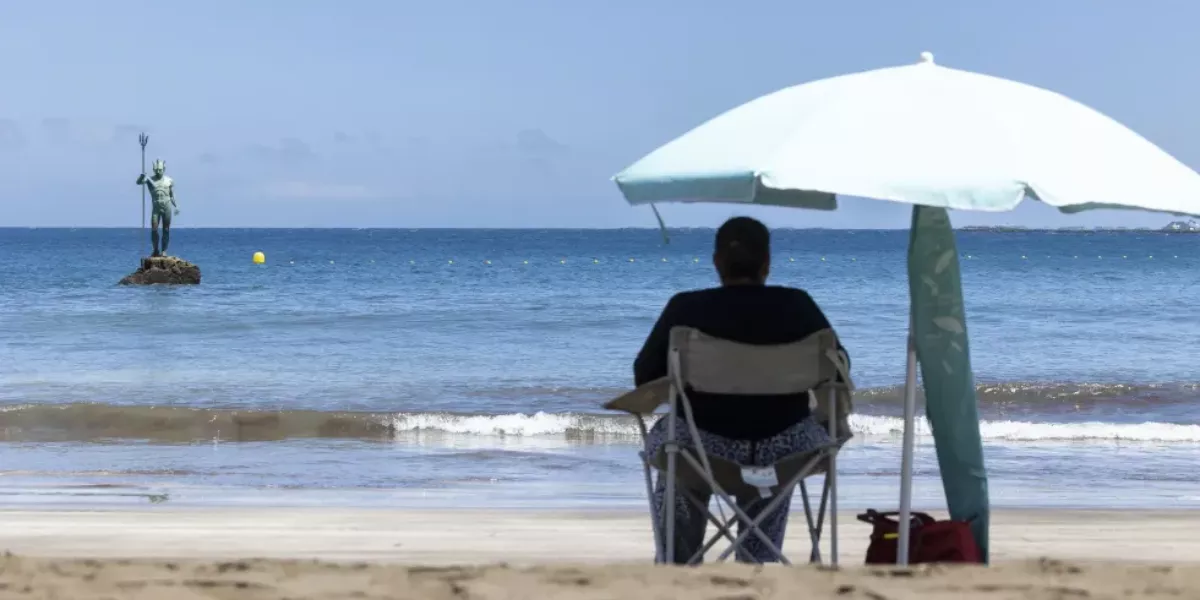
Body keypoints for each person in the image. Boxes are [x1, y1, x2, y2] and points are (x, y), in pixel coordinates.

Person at [633, 216, 849, 564]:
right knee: (777, 453)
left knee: (676, 446)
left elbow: (644, 377)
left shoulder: (685, 308)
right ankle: (756, 562)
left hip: (702, 454)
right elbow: (840, 372)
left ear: (717, 261)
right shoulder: (799, 306)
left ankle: (678, 565)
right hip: (785, 454)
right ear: (767, 264)